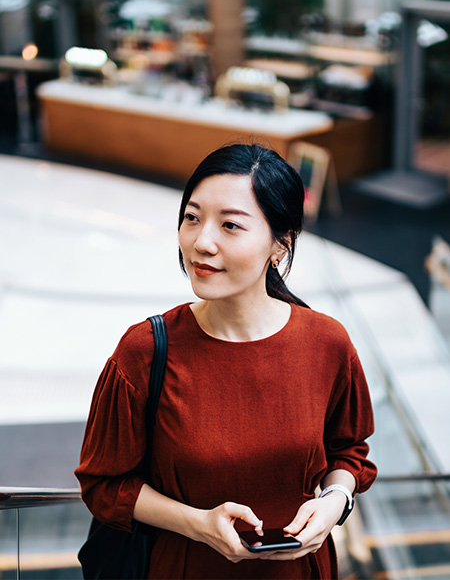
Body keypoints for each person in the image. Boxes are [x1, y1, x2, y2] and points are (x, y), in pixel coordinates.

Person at [75, 143, 377, 579]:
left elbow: (348, 451)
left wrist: (335, 502)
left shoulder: (327, 342)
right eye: (192, 217)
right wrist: (198, 524)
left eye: (230, 225)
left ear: (280, 244)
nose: (202, 242)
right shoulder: (145, 350)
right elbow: (105, 485)